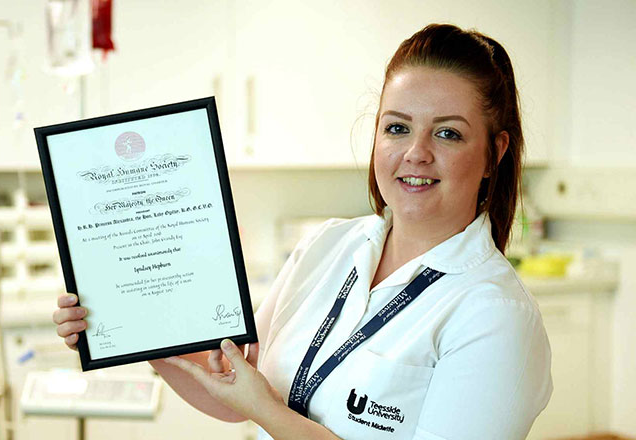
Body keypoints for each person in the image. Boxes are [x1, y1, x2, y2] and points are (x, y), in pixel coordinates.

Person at [52, 23, 553, 440]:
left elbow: (257, 404)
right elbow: (234, 391)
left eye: (448, 133)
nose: (415, 153)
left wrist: (269, 412)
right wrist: (128, 323)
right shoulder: (328, 247)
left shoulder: (495, 316)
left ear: (495, 153)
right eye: (397, 127)